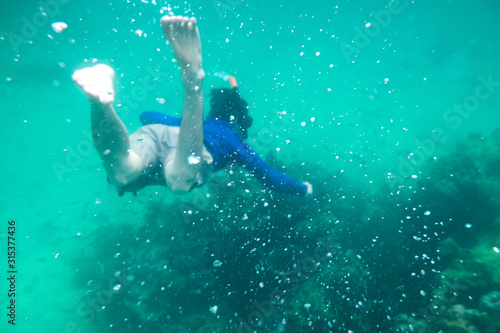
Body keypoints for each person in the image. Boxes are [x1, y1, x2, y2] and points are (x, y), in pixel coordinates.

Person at [72, 15, 312, 197]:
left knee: (121, 173)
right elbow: (270, 177)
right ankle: (192, 81)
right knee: (179, 182)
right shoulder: (235, 142)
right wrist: (303, 189)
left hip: (158, 136)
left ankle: (98, 103)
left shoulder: (199, 124)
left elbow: (147, 116)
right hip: (187, 155)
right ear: (239, 120)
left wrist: (172, 123)